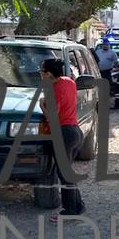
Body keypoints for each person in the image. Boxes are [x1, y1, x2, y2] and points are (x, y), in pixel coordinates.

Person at [39, 57, 85, 220]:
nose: (41, 75)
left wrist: (41, 105)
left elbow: (52, 116)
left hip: (63, 133)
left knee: (64, 174)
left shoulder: (54, 90)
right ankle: (77, 206)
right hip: (75, 132)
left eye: (42, 72)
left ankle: (69, 211)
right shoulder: (69, 81)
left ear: (49, 74)